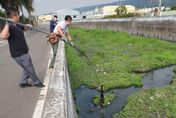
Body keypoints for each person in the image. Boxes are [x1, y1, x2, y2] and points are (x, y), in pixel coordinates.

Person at [0, 8, 45, 88]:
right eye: (18, 15)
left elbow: (25, 29)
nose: (19, 17)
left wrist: (28, 26)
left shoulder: (17, 25)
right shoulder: (8, 27)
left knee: (26, 67)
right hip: (18, 53)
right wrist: (7, 24)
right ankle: (37, 82)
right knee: (29, 67)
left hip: (24, 51)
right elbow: (3, 36)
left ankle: (23, 82)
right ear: (14, 16)